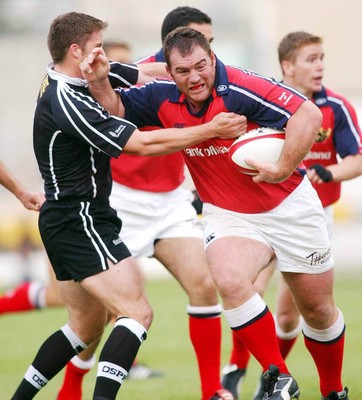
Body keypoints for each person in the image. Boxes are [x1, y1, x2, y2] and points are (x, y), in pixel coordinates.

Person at [83, 26, 349, 400]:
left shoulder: (242, 86)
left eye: (200, 67)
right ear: (169, 70)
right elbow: (115, 109)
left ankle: (333, 389)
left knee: (318, 311)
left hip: (290, 207)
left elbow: (306, 114)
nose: (194, 78)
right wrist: (98, 82)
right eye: (182, 71)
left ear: (212, 58)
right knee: (228, 279)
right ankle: (280, 376)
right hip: (229, 213)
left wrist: (284, 166)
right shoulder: (160, 97)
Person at [10, 12, 245, 400]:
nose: (102, 52)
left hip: (78, 216)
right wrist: (209, 130)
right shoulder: (68, 101)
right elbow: (140, 144)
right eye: (97, 45)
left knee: (83, 328)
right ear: (75, 51)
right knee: (136, 312)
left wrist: (202, 75)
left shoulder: (85, 71)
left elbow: (147, 73)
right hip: (79, 217)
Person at [222, 30, 361, 400]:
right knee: (243, 285)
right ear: (287, 66)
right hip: (262, 211)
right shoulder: (263, 100)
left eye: (322, 58)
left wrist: (330, 173)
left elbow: (357, 158)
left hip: (311, 217)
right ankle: (239, 369)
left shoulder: (336, 108)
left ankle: (280, 384)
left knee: (290, 314)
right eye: (311, 59)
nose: (320, 66)